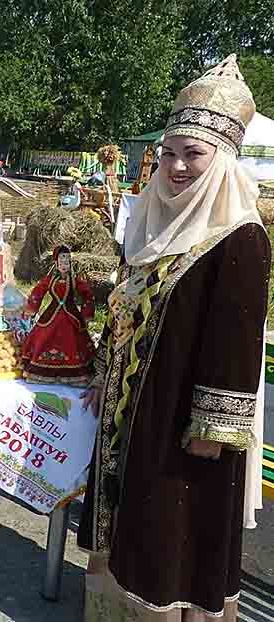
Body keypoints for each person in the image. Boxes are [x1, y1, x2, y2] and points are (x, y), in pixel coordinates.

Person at [78, 54, 270, 620]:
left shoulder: (239, 238)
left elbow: (236, 345)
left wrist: (212, 430)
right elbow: (129, 309)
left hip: (184, 427)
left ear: (223, 160)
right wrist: (103, 372)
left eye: (194, 154)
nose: (177, 167)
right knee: (130, 527)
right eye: (168, 153)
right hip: (134, 411)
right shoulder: (153, 225)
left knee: (173, 540)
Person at [21, 246, 95, 385]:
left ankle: (74, 373)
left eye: (67, 263)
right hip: (51, 315)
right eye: (61, 263)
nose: (64, 266)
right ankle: (41, 370)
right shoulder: (50, 280)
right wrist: (32, 307)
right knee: (43, 338)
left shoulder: (75, 280)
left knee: (74, 342)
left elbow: (87, 294)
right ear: (56, 264)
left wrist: (86, 313)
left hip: (70, 315)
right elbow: (38, 291)